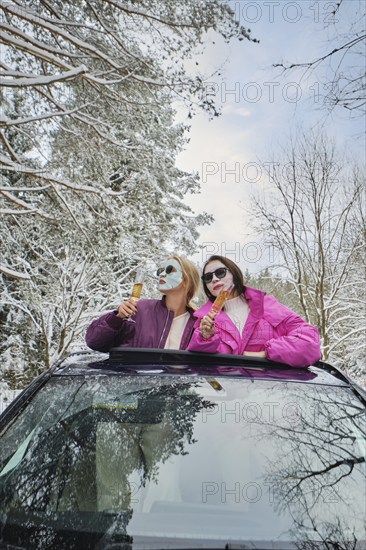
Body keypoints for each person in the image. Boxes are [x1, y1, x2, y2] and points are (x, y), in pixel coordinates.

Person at [187, 255, 321, 367]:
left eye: (220, 273)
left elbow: (310, 343)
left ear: (234, 273)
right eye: (208, 278)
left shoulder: (266, 306)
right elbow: (199, 366)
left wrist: (265, 354)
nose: (214, 279)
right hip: (225, 395)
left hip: (268, 391)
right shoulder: (204, 321)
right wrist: (206, 338)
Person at [85, 256, 200, 352]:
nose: (162, 274)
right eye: (160, 271)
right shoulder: (139, 309)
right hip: (133, 379)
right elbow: (94, 342)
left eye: (169, 270)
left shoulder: (199, 323)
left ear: (186, 281)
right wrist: (116, 318)